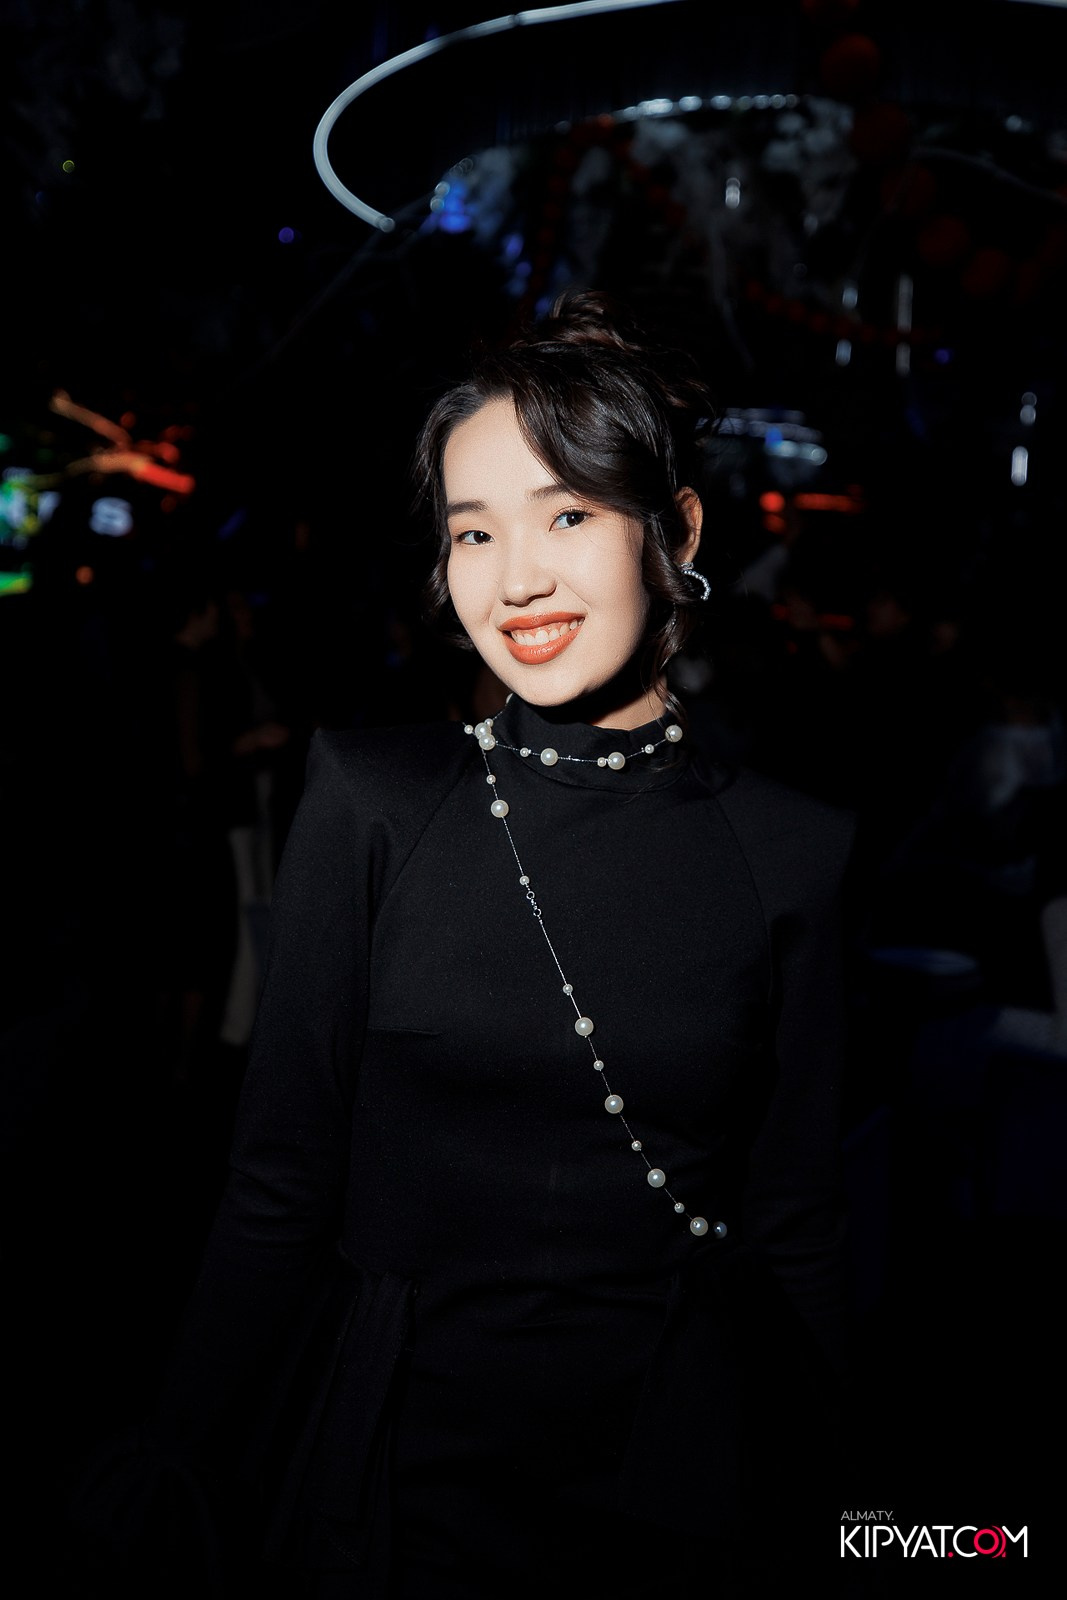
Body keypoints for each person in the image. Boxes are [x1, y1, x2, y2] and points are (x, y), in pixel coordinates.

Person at [75, 292, 856, 1598]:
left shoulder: (794, 851)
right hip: (400, 1471)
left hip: (680, 1478)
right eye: (474, 530)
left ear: (677, 531)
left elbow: (799, 1227)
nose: (517, 578)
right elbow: (276, 1185)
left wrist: (850, 1512)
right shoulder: (375, 802)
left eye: (568, 516)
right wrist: (174, 1458)